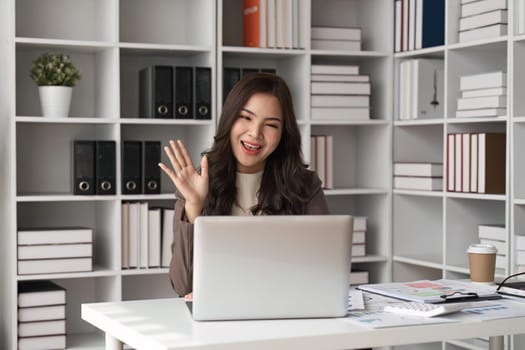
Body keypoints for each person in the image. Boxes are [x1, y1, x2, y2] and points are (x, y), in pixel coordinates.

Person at [158, 73, 329, 298]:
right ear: (230, 119)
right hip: (221, 320)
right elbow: (183, 286)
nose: (255, 133)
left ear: (283, 134)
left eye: (271, 125)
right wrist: (193, 206)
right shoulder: (198, 184)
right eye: (246, 117)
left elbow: (326, 270)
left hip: (286, 312)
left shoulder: (305, 185)